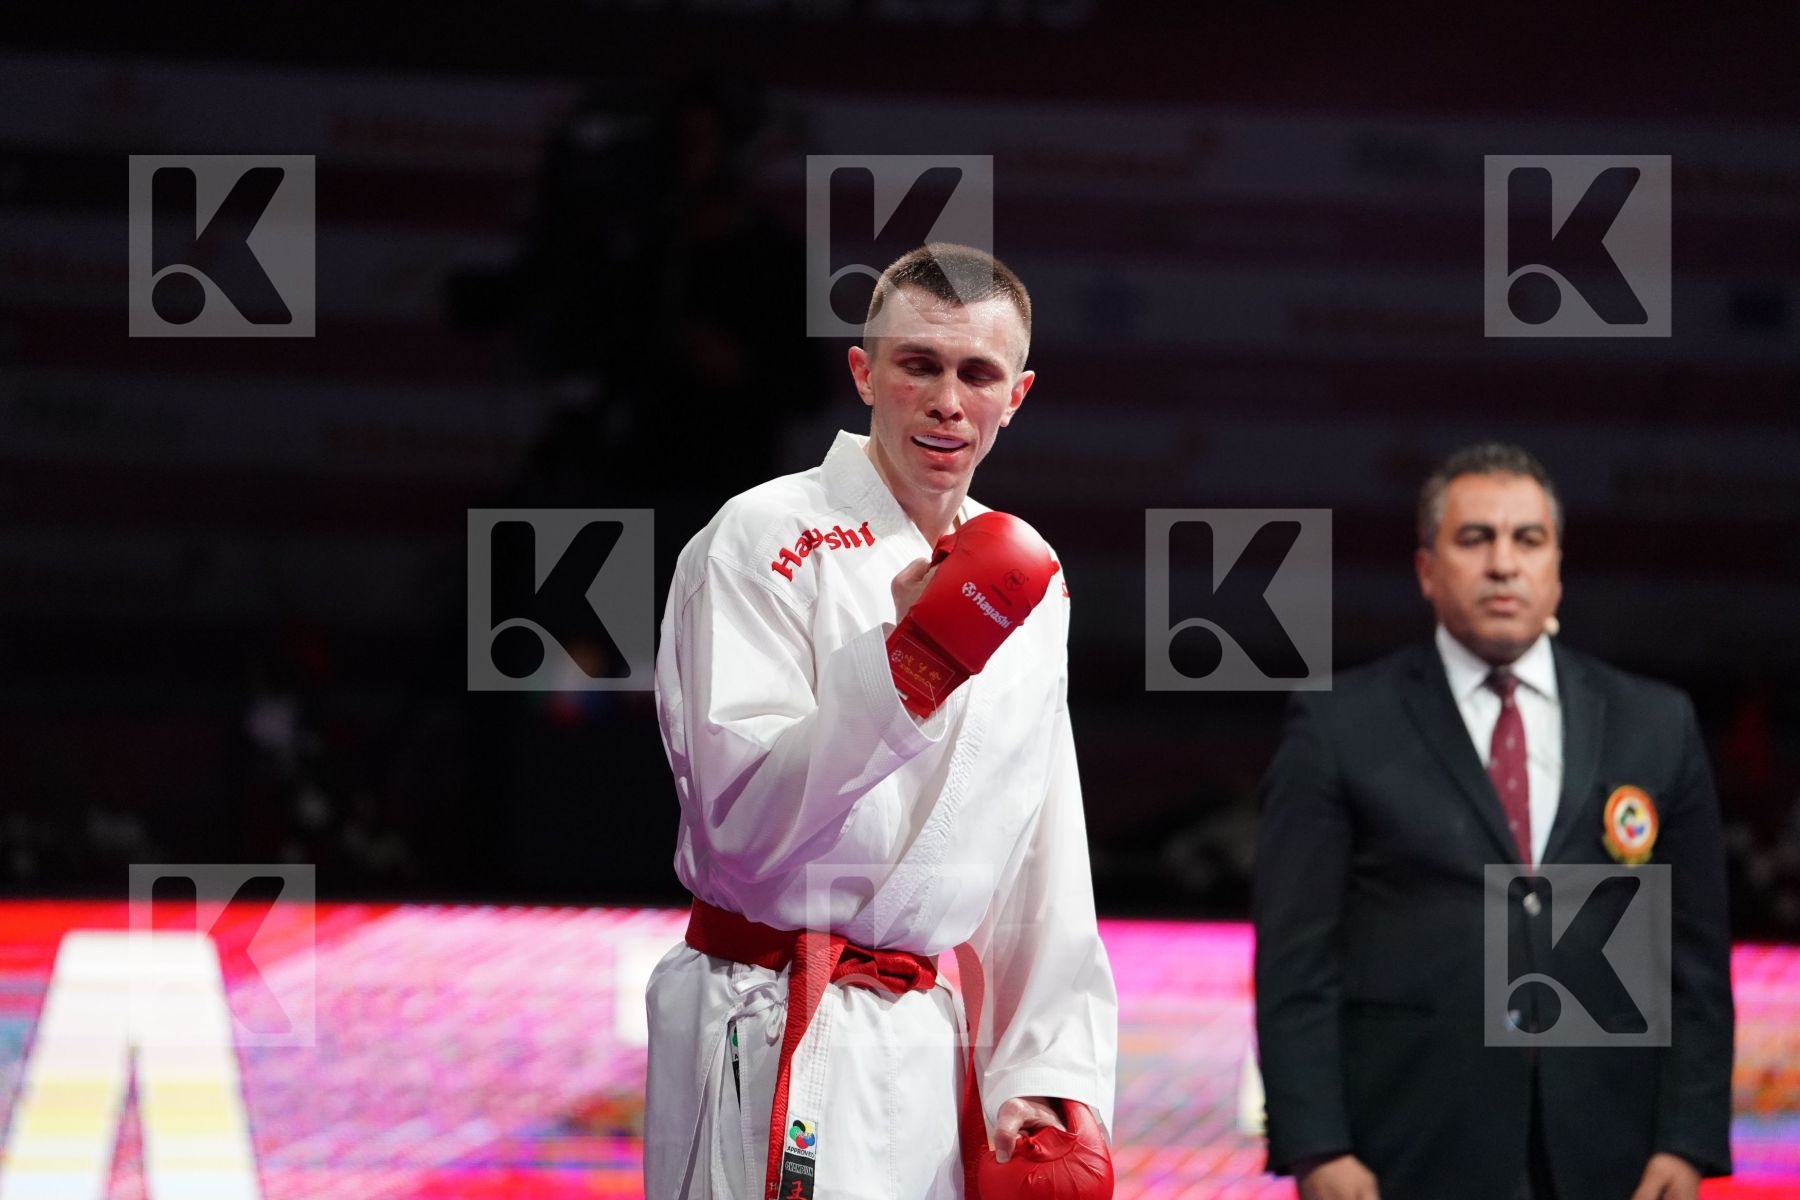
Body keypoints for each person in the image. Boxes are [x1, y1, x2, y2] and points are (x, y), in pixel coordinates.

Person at [646, 244, 1117, 1199]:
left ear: (1016, 395)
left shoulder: (1034, 578)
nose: (949, 400)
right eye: (920, 365)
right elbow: (740, 832)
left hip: (923, 1038)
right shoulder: (761, 536)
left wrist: (1041, 1073)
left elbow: (1042, 850)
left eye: (978, 374)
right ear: (865, 372)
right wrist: (902, 674)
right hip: (770, 1016)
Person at [1252, 442, 1733, 1200]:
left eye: (1528, 540)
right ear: (1426, 570)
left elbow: (1694, 960)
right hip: (1404, 1146)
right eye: (1476, 538)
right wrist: (1316, 1145)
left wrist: (1690, 1137)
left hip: (1613, 1148)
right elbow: (1295, 961)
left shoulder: (1655, 724)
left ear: (1557, 568)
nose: (1504, 563)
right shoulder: (1341, 725)